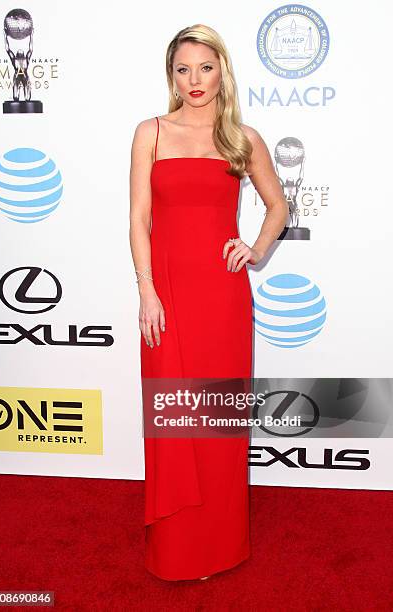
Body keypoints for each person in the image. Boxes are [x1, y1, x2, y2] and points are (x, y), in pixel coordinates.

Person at [129, 24, 288, 582]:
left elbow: (278, 207)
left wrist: (255, 248)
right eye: (183, 69)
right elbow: (139, 219)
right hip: (167, 295)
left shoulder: (242, 138)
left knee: (216, 422)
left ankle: (220, 545)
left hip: (221, 299)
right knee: (175, 420)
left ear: (223, 71)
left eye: (205, 67)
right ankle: (176, 547)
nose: (194, 80)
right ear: (170, 76)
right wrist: (146, 287)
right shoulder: (150, 133)